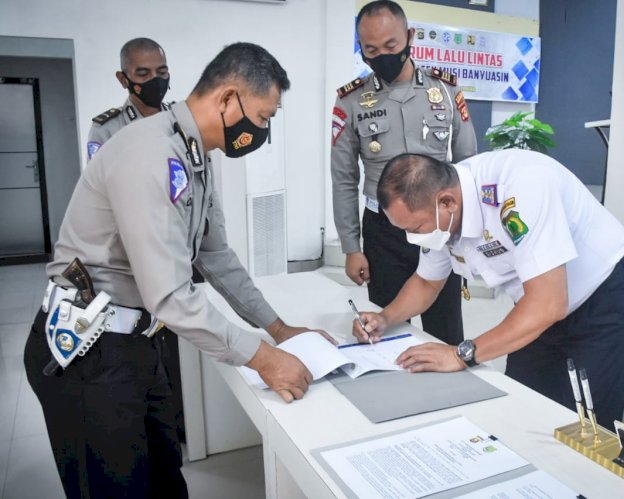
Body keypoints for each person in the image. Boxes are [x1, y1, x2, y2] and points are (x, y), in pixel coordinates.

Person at [25, 42, 331, 498]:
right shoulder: (149, 154)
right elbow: (169, 295)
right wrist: (264, 359)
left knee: (167, 482)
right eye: (263, 117)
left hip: (138, 346)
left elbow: (215, 255)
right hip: (89, 355)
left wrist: (279, 328)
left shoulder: (193, 154)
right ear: (228, 99)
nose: (262, 130)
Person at [354, 150, 624, 431]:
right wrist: (385, 318)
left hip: (603, 294)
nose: (413, 237)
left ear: (447, 202)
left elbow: (550, 303)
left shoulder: (520, 189)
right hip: (534, 302)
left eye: (416, 228)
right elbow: (427, 282)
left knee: (587, 422)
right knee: (521, 402)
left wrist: (460, 354)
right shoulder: (441, 215)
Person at [331, 0, 477, 346]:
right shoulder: (350, 101)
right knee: (387, 326)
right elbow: (343, 177)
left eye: (391, 46)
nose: (381, 55)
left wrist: (466, 238)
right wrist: (352, 246)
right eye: (371, 49)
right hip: (384, 232)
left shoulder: (445, 89)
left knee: (445, 331)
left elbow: (467, 163)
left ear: (410, 37)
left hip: (440, 225)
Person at [86, 37, 171, 161]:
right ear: (123, 79)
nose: (155, 79)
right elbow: (98, 179)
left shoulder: (180, 120)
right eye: (143, 74)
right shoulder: (107, 130)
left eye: (162, 72)